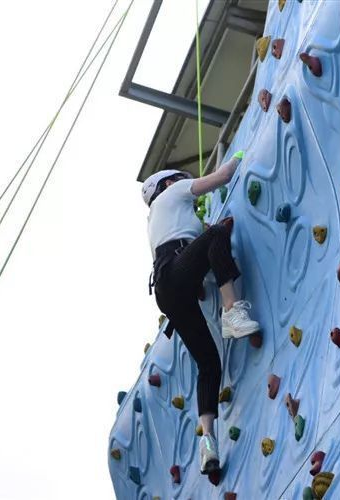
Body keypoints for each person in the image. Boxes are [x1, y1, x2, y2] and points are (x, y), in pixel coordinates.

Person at [141, 150, 261, 476]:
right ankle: (232, 313)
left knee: (208, 364)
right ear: (168, 184)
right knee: (217, 234)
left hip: (167, 290)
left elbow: (189, 250)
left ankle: (207, 442)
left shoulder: (157, 221)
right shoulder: (174, 193)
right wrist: (240, 156)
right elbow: (222, 177)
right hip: (176, 272)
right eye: (181, 178)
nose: (186, 182)